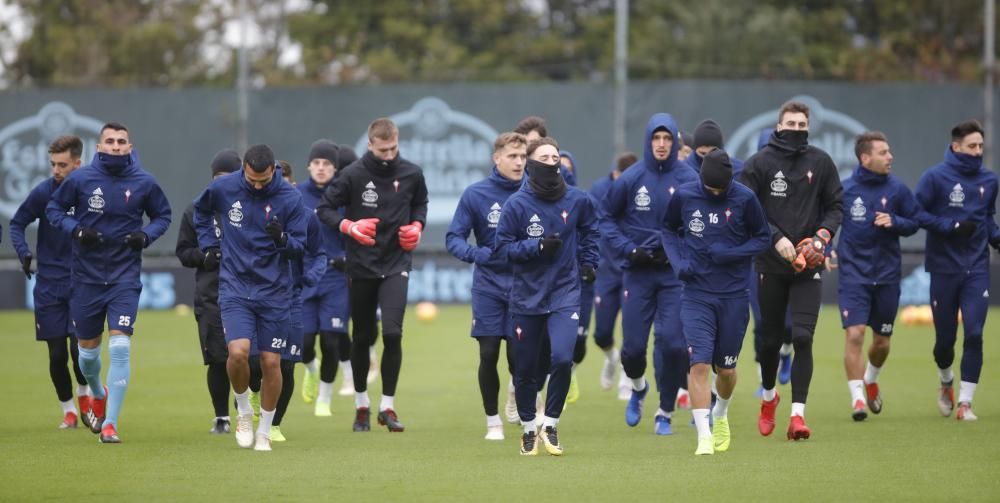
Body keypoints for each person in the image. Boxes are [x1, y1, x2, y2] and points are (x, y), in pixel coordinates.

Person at [46, 123, 172, 443]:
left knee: (119, 347)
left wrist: (146, 235)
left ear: (130, 147)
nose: (116, 146)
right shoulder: (80, 179)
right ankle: (97, 391)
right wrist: (76, 230)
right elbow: (54, 209)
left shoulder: (145, 181)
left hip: (124, 278)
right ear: (99, 147)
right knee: (87, 356)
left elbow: (163, 216)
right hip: (86, 279)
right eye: (110, 141)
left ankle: (110, 423)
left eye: (122, 142)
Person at [316, 118, 429, 432]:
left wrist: (417, 227)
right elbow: (325, 209)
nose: (389, 155)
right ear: (370, 145)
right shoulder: (352, 175)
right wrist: (349, 226)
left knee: (392, 333)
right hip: (361, 266)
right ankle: (362, 404)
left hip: (396, 264)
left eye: (393, 148)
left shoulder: (412, 173)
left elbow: (420, 204)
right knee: (363, 336)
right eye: (382, 150)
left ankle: (387, 407)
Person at [739, 100, 843, 440]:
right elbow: (745, 209)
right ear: (779, 125)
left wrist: (822, 236)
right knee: (769, 343)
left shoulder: (821, 162)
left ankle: (797, 416)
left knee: (802, 337)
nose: (797, 130)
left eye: (802, 125)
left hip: (807, 266)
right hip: (769, 265)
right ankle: (769, 397)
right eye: (791, 124)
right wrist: (775, 238)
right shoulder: (759, 164)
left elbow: (835, 205)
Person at [194, 144, 308, 451]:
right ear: (244, 168)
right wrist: (209, 244)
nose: (257, 186)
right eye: (252, 179)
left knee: (272, 362)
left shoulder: (290, 197)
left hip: (274, 290)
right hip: (235, 287)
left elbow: (300, 246)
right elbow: (200, 212)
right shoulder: (224, 187)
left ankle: (265, 431)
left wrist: (282, 238)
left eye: (264, 180)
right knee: (238, 352)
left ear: (273, 170)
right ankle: (244, 410)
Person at [495, 136, 599, 456]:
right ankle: (529, 428)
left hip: (565, 292)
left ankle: (550, 424)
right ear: (531, 164)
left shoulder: (577, 200)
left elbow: (592, 230)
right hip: (527, 296)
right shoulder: (517, 205)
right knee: (525, 369)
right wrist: (536, 247)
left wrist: (589, 262)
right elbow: (502, 249)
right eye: (546, 158)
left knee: (563, 358)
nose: (553, 162)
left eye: (556, 157)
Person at [663, 149, 769, 455]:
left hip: (734, 295)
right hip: (696, 293)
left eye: (720, 190)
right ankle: (704, 436)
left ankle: (721, 412)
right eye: (710, 188)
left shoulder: (745, 198)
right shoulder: (684, 196)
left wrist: (731, 253)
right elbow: (668, 230)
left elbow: (762, 237)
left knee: (726, 370)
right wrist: (678, 263)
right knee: (699, 365)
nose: (715, 193)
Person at [601, 113, 698, 436]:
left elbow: (699, 222)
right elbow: (606, 219)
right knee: (632, 350)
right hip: (638, 274)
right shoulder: (630, 178)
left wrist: (680, 251)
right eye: (656, 138)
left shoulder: (688, 179)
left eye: (667, 139)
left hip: (673, 276)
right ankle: (640, 389)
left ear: (675, 142)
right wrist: (629, 249)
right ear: (648, 140)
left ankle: (665, 412)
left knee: (673, 345)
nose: (661, 144)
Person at [914, 120, 1000, 421]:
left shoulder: (990, 180)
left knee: (975, 333)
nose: (977, 152)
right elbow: (917, 214)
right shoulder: (934, 178)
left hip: (976, 267)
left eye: (980, 146)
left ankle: (965, 403)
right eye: (971, 146)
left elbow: (987, 217)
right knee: (944, 342)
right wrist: (949, 226)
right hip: (943, 268)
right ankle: (946, 379)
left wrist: (996, 236)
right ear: (956, 147)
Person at [836, 132, 924, 421]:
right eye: (884, 152)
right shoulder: (845, 190)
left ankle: (871, 378)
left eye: (889, 151)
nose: (890, 157)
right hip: (853, 276)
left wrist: (895, 221)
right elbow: (826, 221)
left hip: (886, 276)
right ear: (865, 158)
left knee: (882, 342)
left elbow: (915, 221)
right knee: (855, 334)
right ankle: (857, 398)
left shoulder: (897, 190)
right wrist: (825, 249)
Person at [446, 132, 526, 440]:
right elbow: (454, 237)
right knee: (489, 352)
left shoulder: (534, 192)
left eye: (522, 157)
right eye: (512, 156)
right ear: (497, 159)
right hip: (489, 285)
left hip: (524, 286)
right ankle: (493, 421)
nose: (518, 162)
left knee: (519, 358)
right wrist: (475, 253)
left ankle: (522, 405)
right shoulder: (476, 194)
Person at [9, 135, 91, 429]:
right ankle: (68, 409)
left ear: (77, 164)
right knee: (57, 353)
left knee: (77, 349)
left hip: (83, 282)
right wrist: (24, 252)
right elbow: (17, 223)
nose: (56, 170)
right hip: (49, 284)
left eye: (63, 164)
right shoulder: (44, 193)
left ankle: (85, 395)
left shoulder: (90, 193)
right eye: (53, 164)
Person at [175, 148, 242, 434]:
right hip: (210, 293)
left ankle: (245, 412)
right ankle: (221, 417)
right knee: (217, 358)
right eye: (217, 177)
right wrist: (203, 258)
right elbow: (183, 251)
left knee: (246, 357)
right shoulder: (196, 209)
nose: (221, 183)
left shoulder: (246, 206)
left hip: (245, 291)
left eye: (228, 177)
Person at [270, 161, 327, 441]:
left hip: (292, 297)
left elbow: (318, 254)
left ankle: (274, 424)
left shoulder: (306, 216)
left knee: (288, 363)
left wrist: (309, 276)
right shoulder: (252, 214)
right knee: (256, 363)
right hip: (255, 296)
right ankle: (250, 399)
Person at [297, 140, 353, 415]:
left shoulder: (345, 195)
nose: (321, 168)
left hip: (335, 278)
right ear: (309, 165)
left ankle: (325, 398)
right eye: (317, 163)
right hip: (306, 276)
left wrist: (348, 257)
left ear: (335, 168)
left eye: (327, 164)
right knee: (305, 343)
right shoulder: (295, 195)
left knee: (331, 341)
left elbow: (357, 232)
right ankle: (311, 369)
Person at [589, 151, 637, 400]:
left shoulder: (642, 191)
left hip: (634, 271)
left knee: (632, 330)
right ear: (615, 174)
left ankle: (627, 380)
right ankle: (611, 358)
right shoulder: (599, 190)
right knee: (601, 334)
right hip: (607, 270)